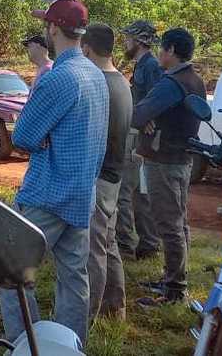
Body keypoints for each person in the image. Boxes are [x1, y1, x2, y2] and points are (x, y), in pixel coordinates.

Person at [0, 0, 108, 346]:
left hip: (48, 195)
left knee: (11, 271)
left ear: (54, 29)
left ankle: (23, 344)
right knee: (74, 277)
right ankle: (69, 347)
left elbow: (24, 135)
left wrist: (43, 136)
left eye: (47, 23)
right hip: (82, 194)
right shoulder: (95, 73)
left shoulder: (59, 77)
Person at [131, 28, 206, 307]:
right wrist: (147, 117)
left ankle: (174, 289)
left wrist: (143, 118)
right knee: (178, 220)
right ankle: (174, 277)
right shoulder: (194, 79)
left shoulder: (171, 83)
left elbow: (137, 113)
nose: (159, 53)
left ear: (172, 50)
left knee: (168, 223)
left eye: (162, 48)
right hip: (181, 160)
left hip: (164, 160)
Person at [80, 23, 131, 321]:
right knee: (108, 244)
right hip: (114, 174)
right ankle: (116, 308)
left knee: (93, 250)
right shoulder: (121, 81)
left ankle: (87, 316)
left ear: (86, 48)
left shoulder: (100, 84)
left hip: (100, 177)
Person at [116, 20, 163, 261]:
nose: (125, 42)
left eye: (128, 38)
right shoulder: (143, 65)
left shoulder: (150, 66)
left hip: (139, 138)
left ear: (139, 41)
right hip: (139, 136)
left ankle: (125, 244)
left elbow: (155, 99)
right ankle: (149, 242)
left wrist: (146, 119)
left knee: (125, 191)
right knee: (138, 193)